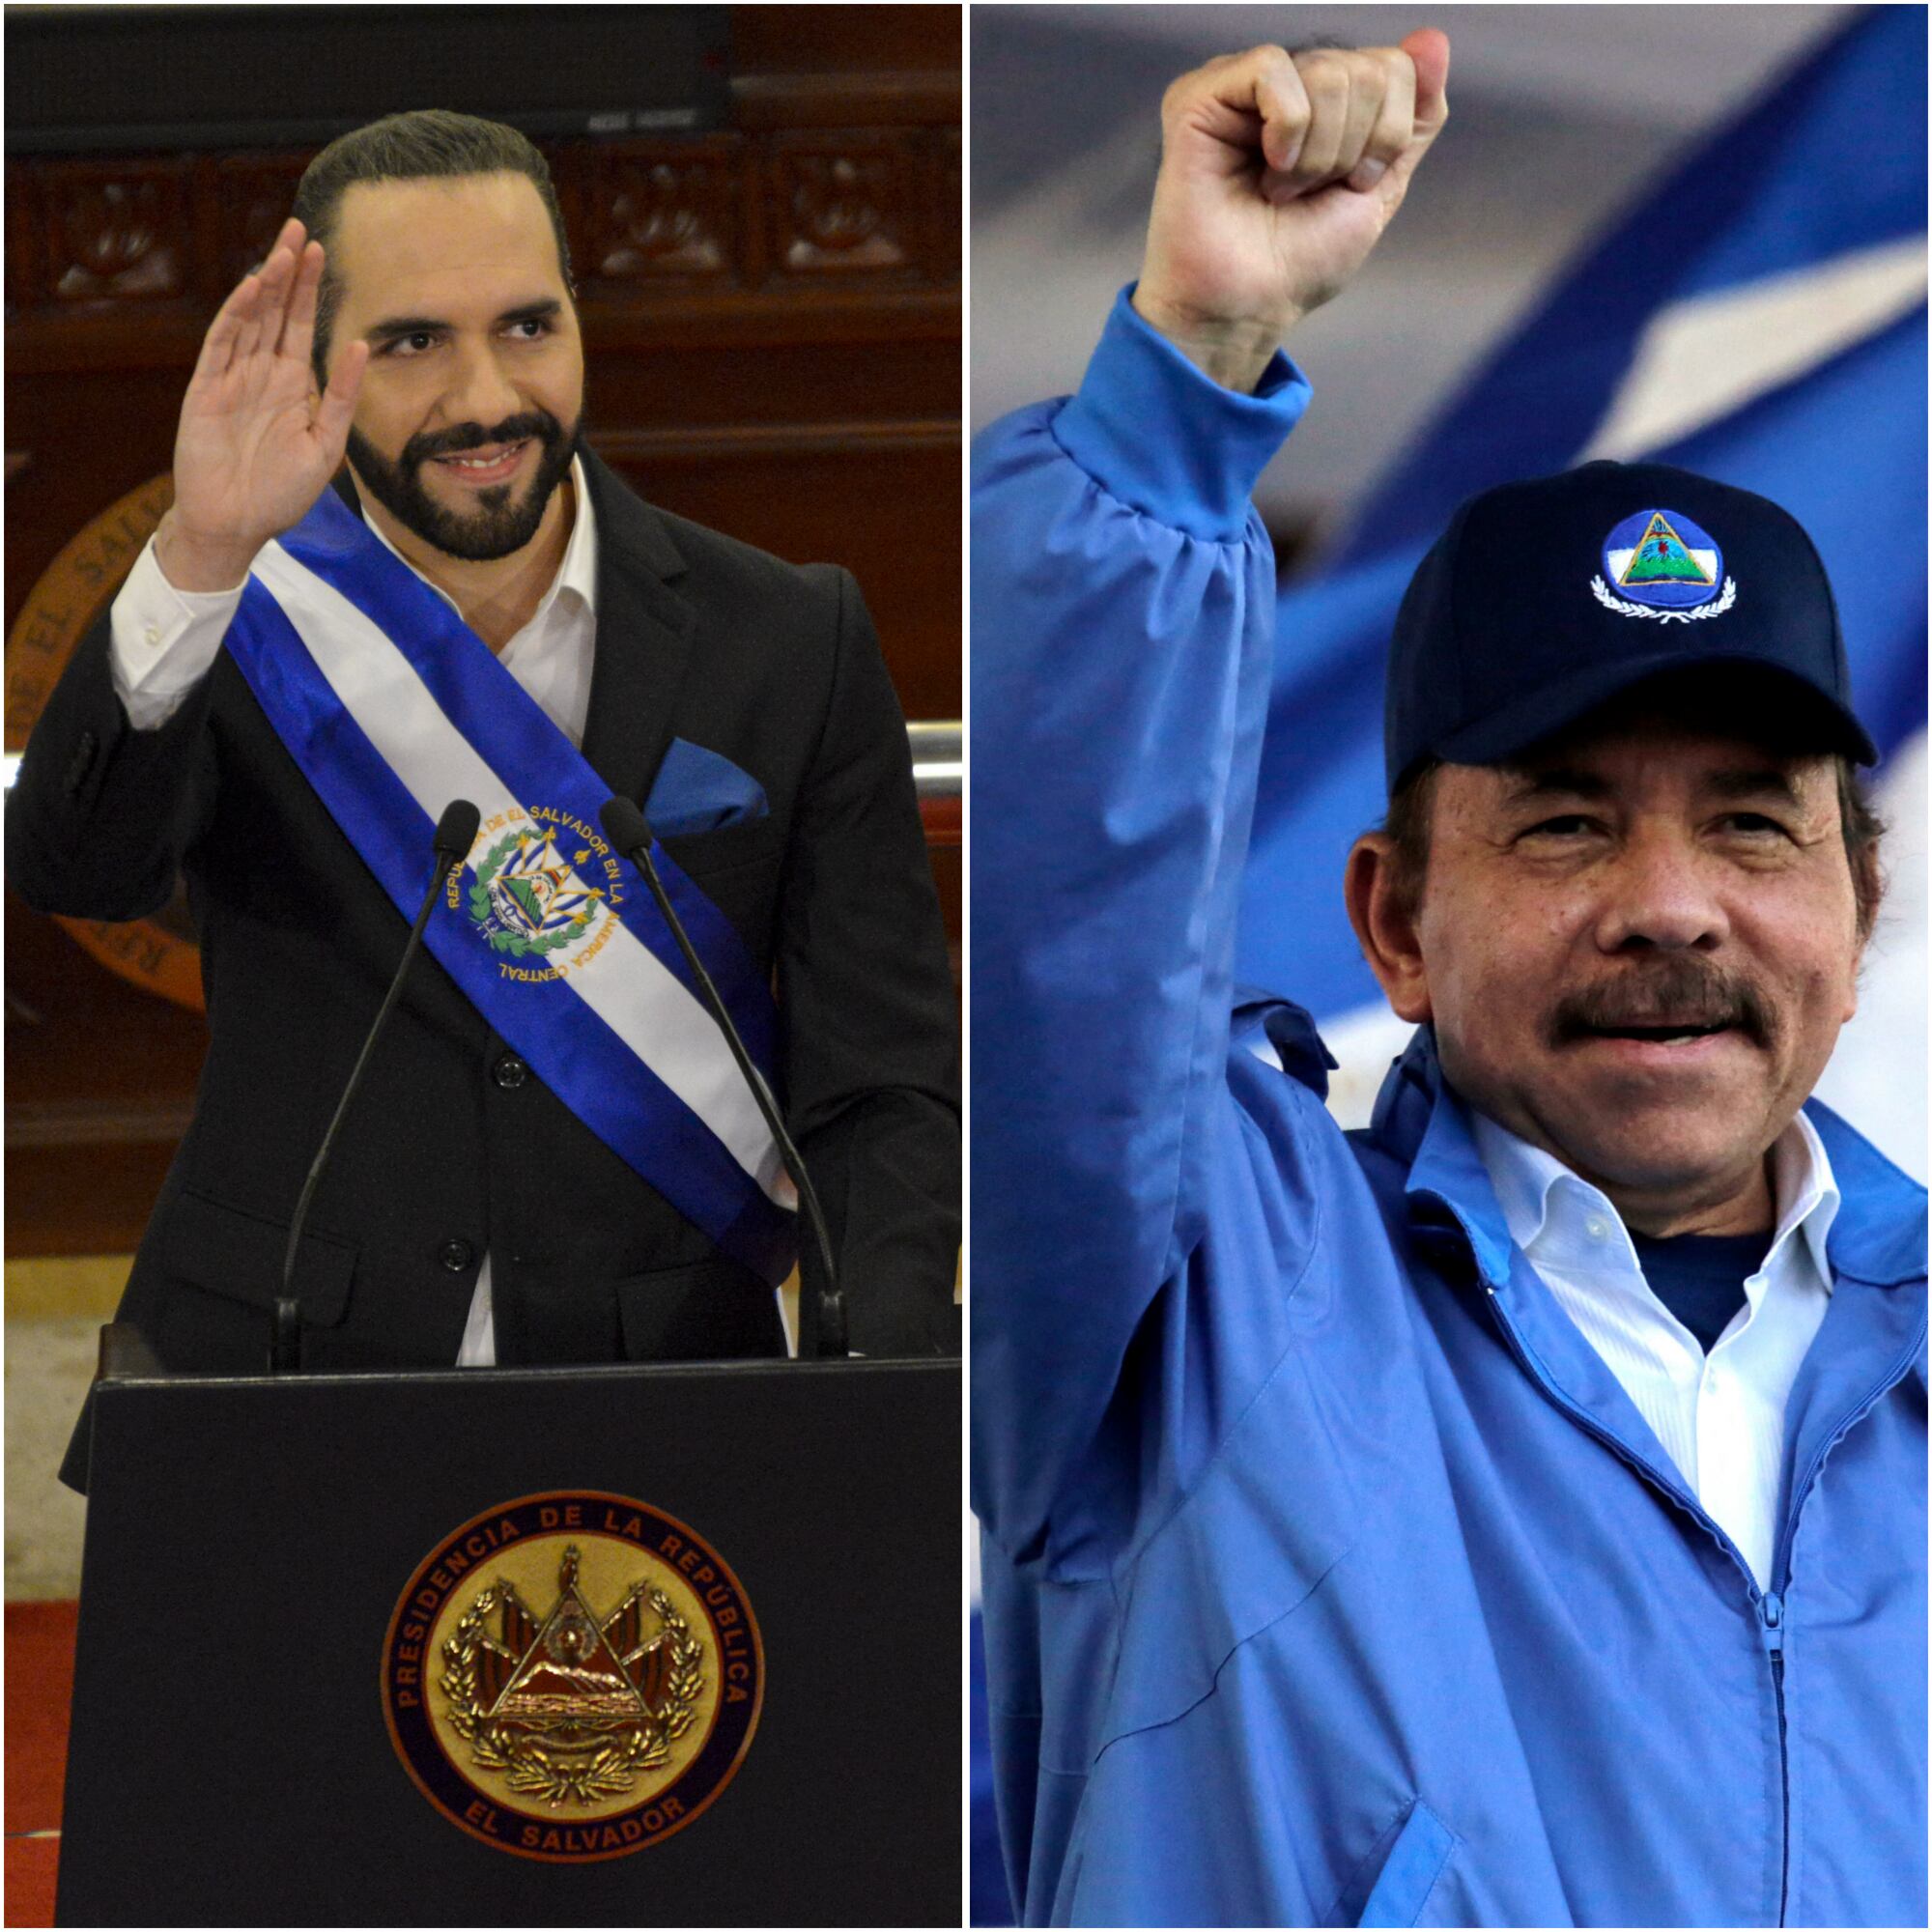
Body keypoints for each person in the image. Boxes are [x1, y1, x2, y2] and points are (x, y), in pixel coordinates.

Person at [972, 31, 1923, 1928]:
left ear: (1857, 900)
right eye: (1566, 825)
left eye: (1749, 826)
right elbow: (1069, 895)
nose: (1672, 907)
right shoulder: (1188, 1297)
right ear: (1390, 920)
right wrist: (1192, 361)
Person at [10, 111, 959, 1492]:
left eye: (528, 326)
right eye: (411, 343)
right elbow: (74, 869)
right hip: (282, 1392)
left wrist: (880, 1384)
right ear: (318, 358)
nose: (483, 398)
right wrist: (202, 548)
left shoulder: (786, 637)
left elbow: (878, 1082)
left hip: (675, 1399)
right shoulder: (242, 613)